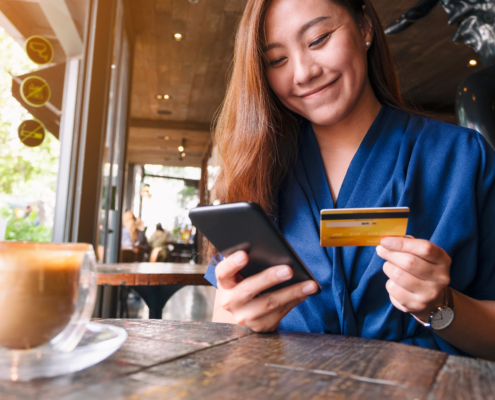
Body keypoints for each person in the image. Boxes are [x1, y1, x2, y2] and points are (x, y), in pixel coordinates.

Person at [203, 0, 495, 360]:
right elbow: (224, 328)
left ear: (365, 28)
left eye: (319, 38)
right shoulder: (259, 171)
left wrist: (440, 306)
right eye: (277, 60)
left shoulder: (463, 158)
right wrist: (241, 322)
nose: (303, 73)